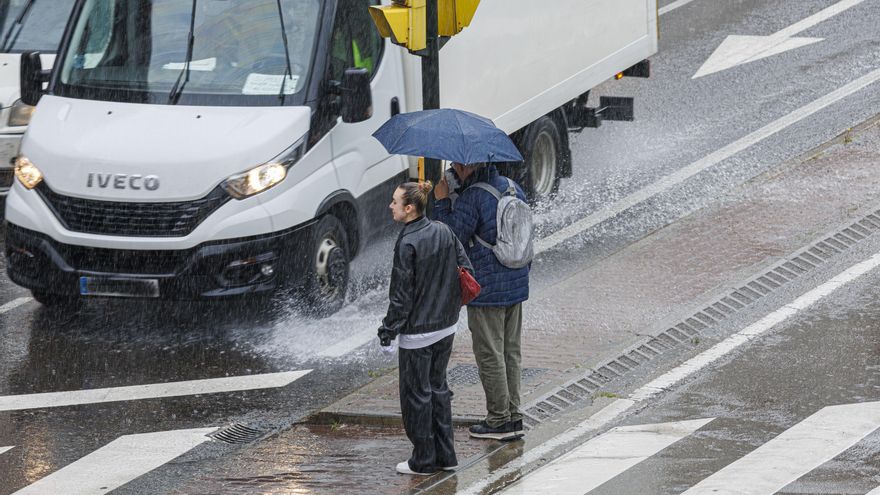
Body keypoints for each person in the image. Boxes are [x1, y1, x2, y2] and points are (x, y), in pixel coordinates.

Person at [378, 181, 474, 475]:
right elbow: (465, 268)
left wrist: (388, 330)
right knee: (438, 389)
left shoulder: (407, 243)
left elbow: (401, 295)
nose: (390, 206)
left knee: (416, 396)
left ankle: (423, 460)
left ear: (409, 208)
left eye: (395, 202)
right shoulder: (443, 230)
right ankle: (446, 455)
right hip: (446, 326)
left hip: (418, 333)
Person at [433, 163, 530, 441]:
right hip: (516, 281)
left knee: (489, 353)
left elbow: (450, 237)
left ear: (468, 165)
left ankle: (498, 420)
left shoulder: (474, 196)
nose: (452, 170)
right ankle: (513, 416)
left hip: (487, 288)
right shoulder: (513, 187)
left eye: (455, 166)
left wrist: (441, 202)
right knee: (510, 351)